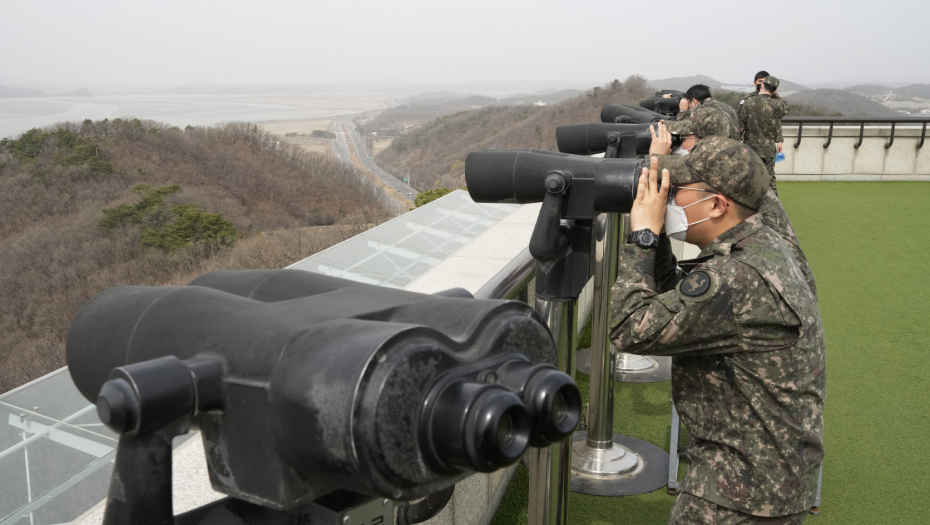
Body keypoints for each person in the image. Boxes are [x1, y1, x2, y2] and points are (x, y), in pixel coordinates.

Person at [609, 139, 825, 525]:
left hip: (741, 493)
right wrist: (659, 241)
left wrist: (642, 236)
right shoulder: (763, 244)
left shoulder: (738, 277)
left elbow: (629, 328)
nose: (668, 199)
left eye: (677, 192)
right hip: (767, 475)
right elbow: (680, 303)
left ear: (716, 204)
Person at [739, 76, 789, 193]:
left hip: (750, 148)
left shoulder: (748, 102)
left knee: (750, 177)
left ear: (761, 86)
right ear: (775, 90)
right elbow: (785, 108)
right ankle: (772, 206)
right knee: (769, 178)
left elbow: (740, 125)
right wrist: (774, 94)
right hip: (768, 149)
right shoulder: (777, 105)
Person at [673, 84, 741, 140]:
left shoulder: (703, 110)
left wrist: (682, 110)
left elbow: (684, 127)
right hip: (736, 150)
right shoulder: (728, 108)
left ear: (694, 101)